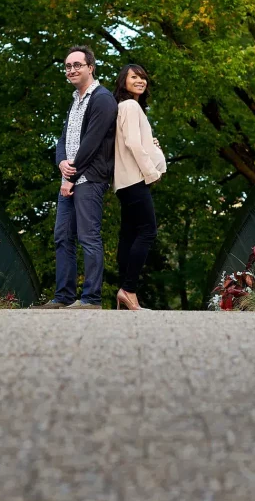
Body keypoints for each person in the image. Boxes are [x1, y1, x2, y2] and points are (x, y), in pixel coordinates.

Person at [34, 45, 118, 310]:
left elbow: (92, 142)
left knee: (88, 237)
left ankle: (91, 299)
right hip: (69, 178)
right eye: (68, 66)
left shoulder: (102, 98)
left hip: (89, 179)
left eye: (77, 65)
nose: (71, 70)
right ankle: (64, 297)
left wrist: (72, 176)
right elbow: (64, 138)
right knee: (62, 237)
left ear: (90, 67)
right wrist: (61, 162)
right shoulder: (75, 100)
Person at [113, 64, 166, 310]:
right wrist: (151, 173)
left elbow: (132, 141)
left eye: (143, 77)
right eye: (134, 77)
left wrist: (151, 143)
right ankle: (129, 289)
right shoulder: (130, 106)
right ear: (123, 81)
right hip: (135, 179)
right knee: (147, 232)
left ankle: (125, 291)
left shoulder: (124, 108)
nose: (140, 81)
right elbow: (133, 143)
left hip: (123, 182)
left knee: (129, 235)